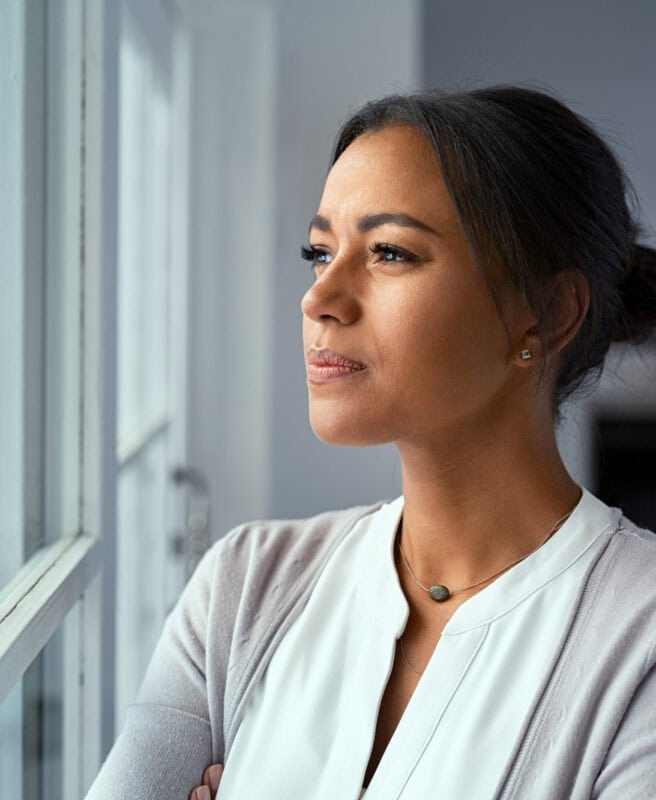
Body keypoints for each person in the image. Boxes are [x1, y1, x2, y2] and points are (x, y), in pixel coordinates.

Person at [87, 87, 656, 800]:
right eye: (320, 252)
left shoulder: (640, 640)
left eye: (389, 252)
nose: (319, 296)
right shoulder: (245, 588)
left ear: (546, 313)